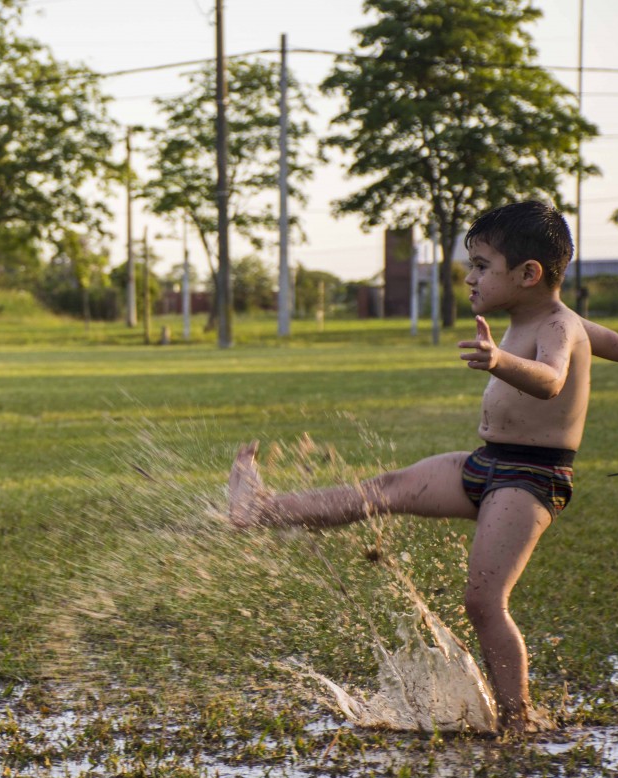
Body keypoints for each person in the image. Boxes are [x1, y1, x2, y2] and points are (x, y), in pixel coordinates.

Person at [229, 201, 588, 734]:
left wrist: (499, 361)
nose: (470, 277)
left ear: (529, 273)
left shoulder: (560, 325)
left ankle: (517, 720)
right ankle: (259, 511)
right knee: (384, 488)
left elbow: (552, 379)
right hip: (486, 464)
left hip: (529, 478)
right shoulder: (523, 318)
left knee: (484, 599)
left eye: (483, 266)